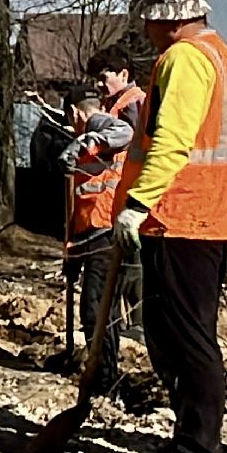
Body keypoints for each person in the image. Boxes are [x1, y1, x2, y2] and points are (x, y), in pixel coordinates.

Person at [112, 0, 227, 453]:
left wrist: (137, 204)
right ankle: (189, 441)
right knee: (173, 337)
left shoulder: (186, 59)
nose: (144, 29)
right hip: (208, 217)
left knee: (188, 340)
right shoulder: (224, 58)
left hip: (185, 219)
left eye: (147, 18)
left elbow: (172, 140)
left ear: (164, 15)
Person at [57, 92, 136, 386]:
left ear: (75, 113)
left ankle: (104, 380)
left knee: (96, 311)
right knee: (100, 310)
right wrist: (72, 255)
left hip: (106, 233)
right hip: (94, 236)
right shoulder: (89, 145)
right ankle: (104, 375)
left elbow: (123, 130)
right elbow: (80, 204)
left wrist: (82, 142)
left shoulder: (98, 126)